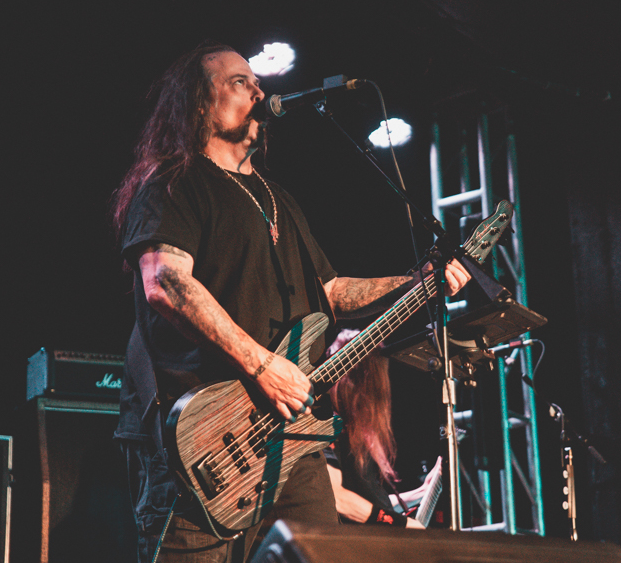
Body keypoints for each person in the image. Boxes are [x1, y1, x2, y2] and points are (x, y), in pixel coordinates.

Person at [110, 42, 470, 563]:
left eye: (258, 83)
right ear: (199, 104)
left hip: (290, 440)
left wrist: (418, 282)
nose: (259, 92)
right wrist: (262, 366)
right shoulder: (175, 182)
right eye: (239, 82)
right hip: (204, 437)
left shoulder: (278, 198)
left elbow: (331, 293)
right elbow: (166, 281)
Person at [323, 329, 442, 529]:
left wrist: (422, 492)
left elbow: (374, 505)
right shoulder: (328, 426)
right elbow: (337, 498)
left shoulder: (358, 434)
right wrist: (402, 523)